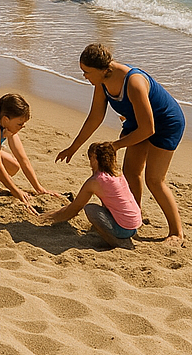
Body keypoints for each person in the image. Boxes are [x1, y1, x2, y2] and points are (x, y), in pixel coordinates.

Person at [56, 43, 185, 243]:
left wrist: (116, 145)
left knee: (154, 179)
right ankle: (133, 218)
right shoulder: (101, 82)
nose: (85, 76)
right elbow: (95, 116)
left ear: (103, 70)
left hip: (166, 123)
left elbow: (148, 129)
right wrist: (74, 146)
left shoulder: (133, 83)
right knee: (131, 172)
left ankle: (176, 232)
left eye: (87, 72)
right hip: (137, 120)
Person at [43, 141, 142, 248]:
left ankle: (115, 242)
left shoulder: (96, 181)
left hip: (123, 229)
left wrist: (52, 218)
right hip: (134, 226)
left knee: (91, 209)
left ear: (94, 158)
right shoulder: (117, 173)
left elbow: (75, 208)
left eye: (90, 158)